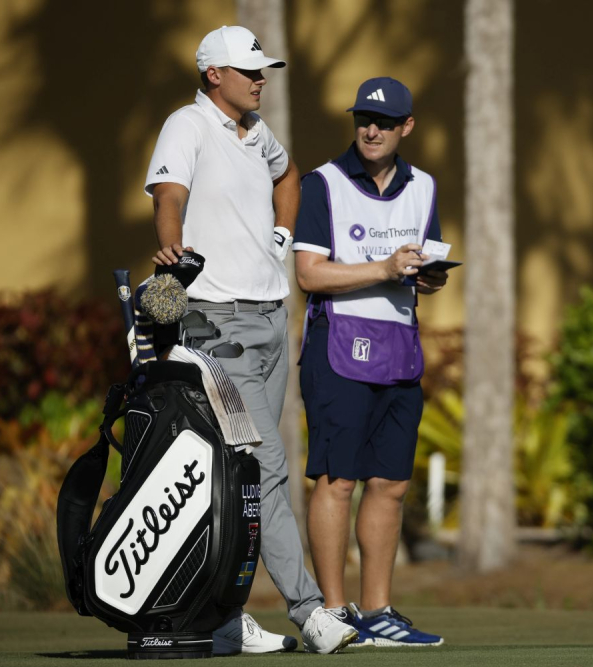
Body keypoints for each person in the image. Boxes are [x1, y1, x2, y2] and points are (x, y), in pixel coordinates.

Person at [144, 25, 358, 655]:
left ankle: (221, 617)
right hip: (217, 321)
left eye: (263, 70)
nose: (261, 79)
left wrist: (282, 240)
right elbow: (168, 194)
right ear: (215, 74)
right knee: (264, 469)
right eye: (249, 71)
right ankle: (310, 611)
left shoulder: (255, 131)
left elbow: (288, 175)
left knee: (235, 475)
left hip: (269, 316)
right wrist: (172, 241)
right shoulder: (189, 125)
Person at [292, 76, 446, 647]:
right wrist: (383, 268)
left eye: (383, 121)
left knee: (391, 484)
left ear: (407, 127)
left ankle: (379, 612)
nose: (371, 129)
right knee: (337, 482)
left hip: (401, 349)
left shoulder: (424, 187)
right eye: (363, 119)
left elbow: (420, 265)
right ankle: (334, 612)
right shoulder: (323, 185)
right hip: (337, 349)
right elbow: (309, 274)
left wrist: (424, 277)